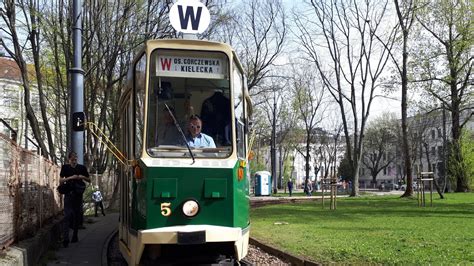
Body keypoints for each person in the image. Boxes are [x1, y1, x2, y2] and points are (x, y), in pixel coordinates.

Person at [59, 151, 91, 248]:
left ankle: (75, 235)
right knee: (67, 216)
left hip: (78, 195)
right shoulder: (65, 167)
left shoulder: (82, 168)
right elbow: (60, 181)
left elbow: (89, 180)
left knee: (77, 216)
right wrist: (70, 178)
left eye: (75, 158)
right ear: (69, 159)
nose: (74, 160)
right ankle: (65, 239)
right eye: (72, 159)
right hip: (68, 195)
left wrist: (82, 177)